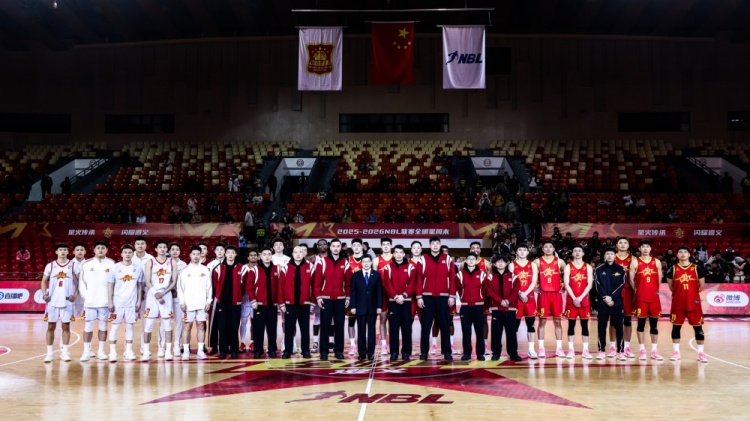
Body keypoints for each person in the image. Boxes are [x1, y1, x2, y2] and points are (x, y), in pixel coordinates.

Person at [416, 237, 456, 361]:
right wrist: (419, 296)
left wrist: (452, 295)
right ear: (429, 245)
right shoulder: (423, 259)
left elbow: (452, 278)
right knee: (426, 325)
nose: (435, 245)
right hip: (427, 297)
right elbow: (419, 279)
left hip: (443, 297)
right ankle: (424, 352)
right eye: (433, 243)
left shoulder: (448, 259)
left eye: (437, 243)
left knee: (445, 325)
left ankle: (447, 352)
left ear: (440, 245)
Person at [666, 246, 708, 363]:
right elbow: (671, 287)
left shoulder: (697, 268)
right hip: (678, 303)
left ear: (689, 255)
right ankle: (676, 352)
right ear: (677, 255)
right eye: (680, 252)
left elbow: (701, 286)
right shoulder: (672, 269)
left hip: (693, 303)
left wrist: (692, 295)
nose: (683, 254)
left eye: (685, 252)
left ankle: (701, 353)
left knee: (698, 328)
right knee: (676, 327)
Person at [78, 241, 116, 362]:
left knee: (103, 327)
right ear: (94, 250)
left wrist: (111, 299)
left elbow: (114, 283)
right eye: (98, 248)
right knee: (88, 327)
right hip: (90, 302)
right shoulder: (86, 264)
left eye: (103, 248)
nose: (100, 250)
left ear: (106, 250)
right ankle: (86, 352)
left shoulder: (112, 263)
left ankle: (101, 351)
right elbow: (82, 283)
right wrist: (86, 296)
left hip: (105, 302)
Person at [107, 244, 144, 362]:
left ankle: (128, 351)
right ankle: (112, 352)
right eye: (125, 252)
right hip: (117, 303)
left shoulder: (138, 268)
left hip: (131, 303)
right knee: (115, 326)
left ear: (133, 254)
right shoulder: (114, 267)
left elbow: (139, 286)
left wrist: (139, 301)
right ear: (121, 254)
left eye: (130, 252)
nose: (127, 254)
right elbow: (110, 285)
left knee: (130, 327)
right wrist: (110, 301)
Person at [41, 243, 77, 363]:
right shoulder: (50, 265)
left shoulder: (73, 265)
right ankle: (49, 354)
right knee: (51, 326)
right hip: (52, 301)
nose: (62, 251)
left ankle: (65, 352)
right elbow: (43, 281)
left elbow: (80, 281)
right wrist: (44, 294)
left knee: (66, 326)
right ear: (56, 252)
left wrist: (75, 295)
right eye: (60, 249)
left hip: (67, 301)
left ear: (68, 252)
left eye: (65, 250)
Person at [142, 240, 177, 361]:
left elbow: (173, 281)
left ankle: (168, 351)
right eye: (160, 247)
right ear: (156, 249)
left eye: (164, 247)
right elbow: (147, 281)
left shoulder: (172, 262)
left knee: (167, 324)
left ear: (167, 249)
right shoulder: (150, 262)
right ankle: (146, 351)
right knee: (149, 325)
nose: (162, 249)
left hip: (166, 294)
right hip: (152, 294)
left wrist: (163, 293)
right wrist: (156, 293)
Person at [314, 239, 350, 361]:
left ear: (340, 248)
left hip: (340, 299)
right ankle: (323, 352)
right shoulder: (322, 262)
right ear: (330, 248)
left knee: (339, 326)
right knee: (325, 325)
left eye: (338, 246)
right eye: (333, 246)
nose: (335, 248)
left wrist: (348, 296)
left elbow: (348, 282)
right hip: (326, 299)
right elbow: (317, 281)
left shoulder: (345, 262)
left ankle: (338, 351)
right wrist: (318, 297)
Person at [381, 244, 417, 360]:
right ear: (393, 254)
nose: (398, 254)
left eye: (401, 252)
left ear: (404, 254)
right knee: (393, 328)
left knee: (407, 328)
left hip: (407, 302)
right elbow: (387, 284)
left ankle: (406, 352)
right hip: (393, 301)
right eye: (396, 252)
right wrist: (396, 296)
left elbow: (413, 284)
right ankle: (394, 352)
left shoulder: (411, 267)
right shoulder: (388, 267)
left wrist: (404, 295)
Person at [630, 239, 664, 361]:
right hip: (641, 297)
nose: (645, 248)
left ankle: (654, 350)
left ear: (650, 248)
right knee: (641, 324)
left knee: (654, 324)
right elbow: (631, 280)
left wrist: (654, 290)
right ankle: (642, 350)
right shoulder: (635, 262)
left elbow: (659, 279)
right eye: (643, 246)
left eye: (647, 246)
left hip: (654, 297)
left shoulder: (657, 262)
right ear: (639, 249)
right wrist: (638, 292)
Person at [279, 246, 315, 359]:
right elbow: (280, 287)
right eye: (296, 252)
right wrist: (281, 303)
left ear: (304, 254)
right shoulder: (285, 267)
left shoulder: (310, 266)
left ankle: (305, 351)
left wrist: (312, 302)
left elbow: (314, 286)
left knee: (305, 329)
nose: (298, 254)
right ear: (292, 254)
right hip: (289, 304)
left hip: (305, 304)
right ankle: (287, 351)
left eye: (300, 252)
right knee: (289, 329)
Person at [178, 246, 213, 360]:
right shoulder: (184, 271)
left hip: (201, 304)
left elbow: (209, 287)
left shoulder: (205, 270)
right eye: (194, 254)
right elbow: (180, 288)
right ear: (190, 255)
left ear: (201, 255)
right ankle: (186, 352)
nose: (196, 256)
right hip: (188, 304)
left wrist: (208, 301)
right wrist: (182, 302)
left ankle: (200, 351)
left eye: (198, 254)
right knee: (187, 327)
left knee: (201, 326)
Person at [211, 245, 246, 359]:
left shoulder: (242, 268)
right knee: (222, 328)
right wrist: (219, 297)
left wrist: (239, 297)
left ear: (236, 254)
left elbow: (244, 286)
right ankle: (223, 350)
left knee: (234, 327)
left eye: (232, 252)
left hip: (236, 303)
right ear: (225, 254)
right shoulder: (218, 268)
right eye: (228, 252)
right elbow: (215, 285)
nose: (230, 255)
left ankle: (234, 350)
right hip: (222, 303)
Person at [487, 254, 522, 361]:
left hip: (510, 309)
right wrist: (500, 301)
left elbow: (515, 291)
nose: (500, 263)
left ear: (507, 263)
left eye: (503, 261)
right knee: (496, 332)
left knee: (511, 332)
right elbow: (489, 291)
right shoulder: (490, 277)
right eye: (498, 261)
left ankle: (513, 353)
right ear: (494, 264)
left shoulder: (513, 277)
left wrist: (507, 301)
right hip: (497, 309)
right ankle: (496, 353)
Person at [248, 247, 281, 358]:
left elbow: (280, 287)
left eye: (269, 254)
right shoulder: (254, 269)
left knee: (272, 329)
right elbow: (249, 287)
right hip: (259, 305)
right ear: (260, 256)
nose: (267, 256)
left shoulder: (276, 269)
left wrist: (279, 301)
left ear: (271, 256)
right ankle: (258, 350)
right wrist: (253, 300)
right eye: (264, 254)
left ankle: (272, 349)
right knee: (258, 329)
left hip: (272, 305)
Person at [562, 245, 594, 359]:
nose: (577, 252)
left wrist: (580, 298)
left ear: (583, 253)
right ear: (572, 253)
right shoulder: (568, 267)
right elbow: (566, 284)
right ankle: (571, 350)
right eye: (575, 250)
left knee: (585, 325)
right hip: (571, 299)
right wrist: (574, 297)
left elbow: (590, 284)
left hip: (583, 299)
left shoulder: (588, 267)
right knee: (571, 325)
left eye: (579, 251)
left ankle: (585, 350)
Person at [535, 240, 565, 358]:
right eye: (546, 247)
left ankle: (559, 348)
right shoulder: (537, 261)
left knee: (558, 322)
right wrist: (534, 287)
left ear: (554, 249)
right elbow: (531, 275)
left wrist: (564, 285)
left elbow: (568, 275)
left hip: (556, 294)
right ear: (542, 249)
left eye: (550, 247)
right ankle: (541, 348)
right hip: (543, 294)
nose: (548, 249)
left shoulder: (560, 262)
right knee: (542, 321)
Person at [349, 255, 383, 360]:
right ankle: (362, 353)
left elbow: (379, 291)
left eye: (368, 261)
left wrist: (379, 306)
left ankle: (371, 353)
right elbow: (353, 292)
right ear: (361, 263)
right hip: (360, 307)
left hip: (373, 307)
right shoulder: (356, 275)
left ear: (371, 263)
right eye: (364, 261)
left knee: (372, 331)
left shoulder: (376, 275)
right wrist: (353, 306)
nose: (366, 263)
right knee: (361, 331)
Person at [456, 253, 488, 361]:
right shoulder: (460, 274)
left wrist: (480, 298)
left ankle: (480, 353)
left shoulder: (482, 274)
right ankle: (467, 353)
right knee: (466, 331)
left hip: (478, 307)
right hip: (465, 307)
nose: (470, 260)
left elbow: (485, 289)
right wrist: (463, 297)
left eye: (473, 259)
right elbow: (458, 288)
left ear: (476, 261)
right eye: (469, 259)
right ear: (465, 261)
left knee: (479, 331)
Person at [510, 244, 538, 359]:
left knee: (531, 324)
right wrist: (520, 293)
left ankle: (531, 350)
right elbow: (511, 281)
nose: (522, 252)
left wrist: (525, 293)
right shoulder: (512, 265)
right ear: (516, 252)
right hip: (516, 298)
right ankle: (514, 350)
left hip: (529, 297)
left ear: (527, 252)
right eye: (520, 250)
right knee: (514, 326)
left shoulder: (533, 264)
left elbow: (534, 281)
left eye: (524, 250)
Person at [611, 236, 636, 358]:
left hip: (628, 291)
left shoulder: (633, 259)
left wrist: (636, 292)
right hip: (614, 292)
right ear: (616, 245)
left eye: (625, 243)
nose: (622, 245)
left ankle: (626, 347)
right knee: (613, 320)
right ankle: (612, 347)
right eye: (620, 242)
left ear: (628, 245)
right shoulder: (611, 257)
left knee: (627, 320)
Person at [373, 237, 394, 354]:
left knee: (394, 321)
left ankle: (393, 344)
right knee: (383, 319)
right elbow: (374, 279)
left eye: (388, 244)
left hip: (394, 293)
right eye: (384, 244)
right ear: (381, 246)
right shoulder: (376, 260)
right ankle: (384, 344)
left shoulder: (395, 258)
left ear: (391, 246)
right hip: (382, 293)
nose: (386, 246)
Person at [346, 238, 366, 354]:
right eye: (355, 245)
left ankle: (362, 343)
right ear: (352, 247)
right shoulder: (348, 260)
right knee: (351, 320)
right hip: (352, 295)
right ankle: (352, 344)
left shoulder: (367, 259)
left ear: (362, 246)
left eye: (359, 245)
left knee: (364, 321)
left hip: (364, 296)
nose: (357, 247)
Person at [239, 249, 258, 354]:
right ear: (248, 257)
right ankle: (242, 342)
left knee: (254, 322)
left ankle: (252, 342)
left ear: (257, 257)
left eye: (255, 255)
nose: (253, 256)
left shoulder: (259, 268)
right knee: (244, 322)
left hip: (256, 299)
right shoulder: (243, 268)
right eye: (251, 255)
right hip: (245, 299)